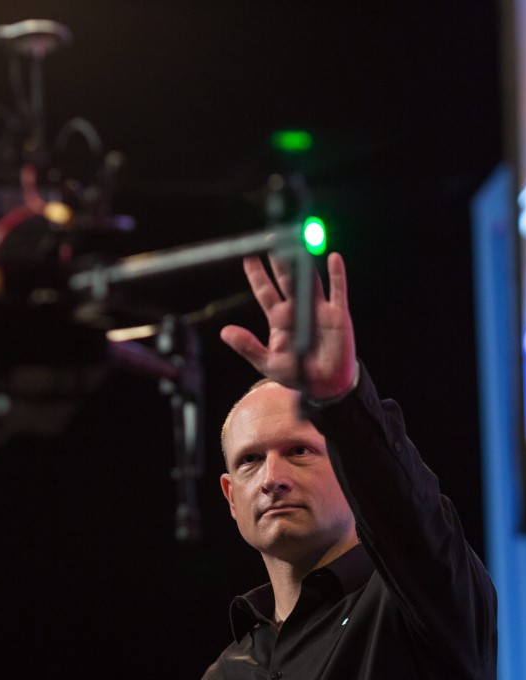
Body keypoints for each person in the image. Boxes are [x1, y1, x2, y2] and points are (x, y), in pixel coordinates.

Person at [203, 253, 497, 679]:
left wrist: (341, 400)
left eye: (299, 451)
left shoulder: (420, 601)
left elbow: (410, 512)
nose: (272, 479)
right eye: (250, 460)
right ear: (230, 496)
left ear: (346, 466)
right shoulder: (226, 673)